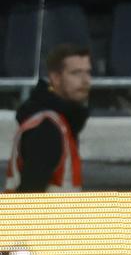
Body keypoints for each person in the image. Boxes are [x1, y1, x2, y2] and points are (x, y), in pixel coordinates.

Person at [6, 44, 92, 192]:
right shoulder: (47, 128)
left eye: (88, 72)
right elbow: (29, 198)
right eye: (76, 73)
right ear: (56, 78)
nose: (85, 81)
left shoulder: (60, 122)